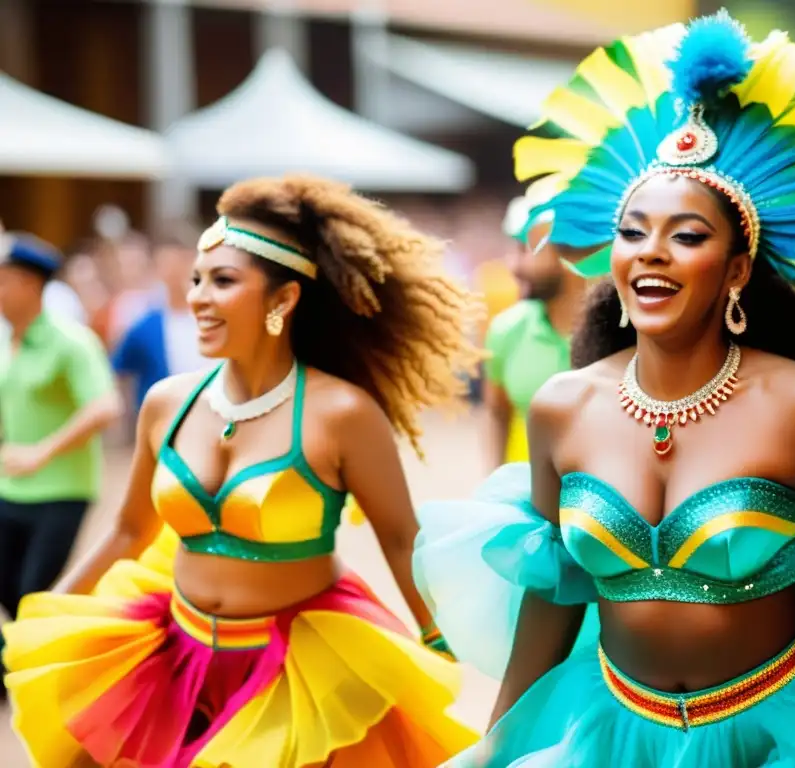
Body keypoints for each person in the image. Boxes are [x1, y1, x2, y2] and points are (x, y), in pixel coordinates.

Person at [413, 13, 795, 767]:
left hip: (785, 730)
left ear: (737, 270)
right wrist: (499, 737)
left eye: (687, 236)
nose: (651, 254)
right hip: (615, 734)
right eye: (633, 232)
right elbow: (554, 586)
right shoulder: (562, 406)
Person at [2, 175, 480, 766]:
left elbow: (401, 538)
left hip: (298, 675)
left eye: (223, 281)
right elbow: (130, 531)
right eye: (196, 280)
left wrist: (440, 645)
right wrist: (45, 615)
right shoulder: (166, 403)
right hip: (170, 659)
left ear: (282, 300)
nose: (198, 297)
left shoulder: (342, 415)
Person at [0, 231, 122, 700]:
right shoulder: (6, 339)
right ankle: (22, 667)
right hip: (10, 488)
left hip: (62, 490)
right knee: (12, 591)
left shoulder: (71, 342)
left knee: (34, 591)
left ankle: (55, 674)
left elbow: (105, 406)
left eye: (6, 280)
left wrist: (41, 451)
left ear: (31, 285)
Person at [482, 198, 588, 469]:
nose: (512, 266)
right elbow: (497, 413)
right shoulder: (506, 330)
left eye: (524, 250)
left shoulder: (623, 335)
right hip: (527, 502)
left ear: (569, 253)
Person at [112, 225, 212, 416]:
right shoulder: (145, 325)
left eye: (180, 263)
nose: (173, 272)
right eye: (166, 264)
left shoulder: (215, 318)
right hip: (162, 424)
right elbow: (119, 373)